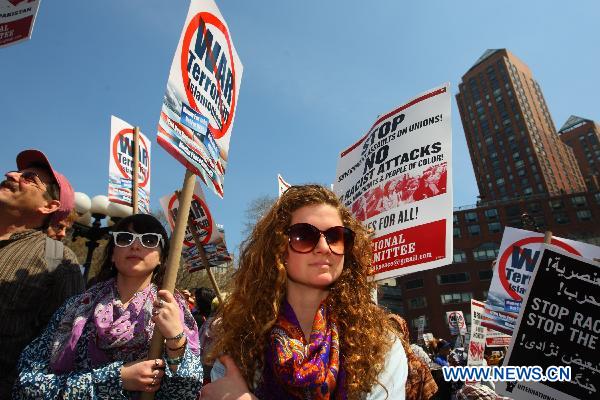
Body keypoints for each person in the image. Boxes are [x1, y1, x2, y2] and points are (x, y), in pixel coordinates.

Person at [201, 184, 408, 399]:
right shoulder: (240, 342)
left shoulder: (379, 344)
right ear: (279, 250)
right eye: (304, 235)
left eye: (335, 237)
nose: (324, 247)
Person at [13, 214, 203, 398]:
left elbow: (187, 392)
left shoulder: (174, 311)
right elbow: (27, 384)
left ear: (161, 257)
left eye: (150, 240)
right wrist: (116, 378)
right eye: (125, 238)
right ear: (112, 253)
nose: (136, 245)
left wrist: (175, 339)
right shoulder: (75, 309)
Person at [0, 149, 84, 397]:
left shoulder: (58, 260)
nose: (11, 175)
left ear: (50, 205)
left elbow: (61, 353)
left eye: (29, 178)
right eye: (17, 172)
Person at [388, 314, 438, 400]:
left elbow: (429, 393)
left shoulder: (418, 366)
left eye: (397, 329)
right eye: (388, 329)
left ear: (404, 332)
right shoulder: (376, 363)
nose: (393, 334)